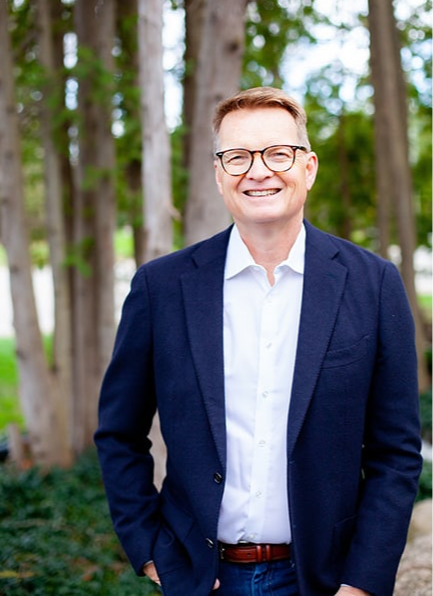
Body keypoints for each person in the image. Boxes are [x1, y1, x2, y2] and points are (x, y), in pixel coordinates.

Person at [95, 86, 422, 596]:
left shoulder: (374, 284)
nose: (258, 170)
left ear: (308, 168)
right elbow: (119, 433)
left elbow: (396, 452)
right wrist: (153, 552)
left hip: (325, 579)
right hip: (201, 578)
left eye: (278, 153)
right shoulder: (161, 288)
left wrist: (361, 583)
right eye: (238, 156)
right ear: (219, 173)